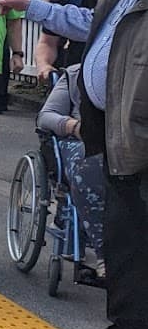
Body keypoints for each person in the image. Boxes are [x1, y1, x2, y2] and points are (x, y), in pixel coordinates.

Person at [0, 0, 148, 329]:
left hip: (140, 138)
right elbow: (83, 23)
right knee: (126, 247)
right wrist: (29, 6)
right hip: (115, 137)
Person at [35, 64, 106, 266]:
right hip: (79, 140)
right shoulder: (75, 74)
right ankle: (104, 254)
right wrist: (73, 126)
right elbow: (45, 116)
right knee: (90, 164)